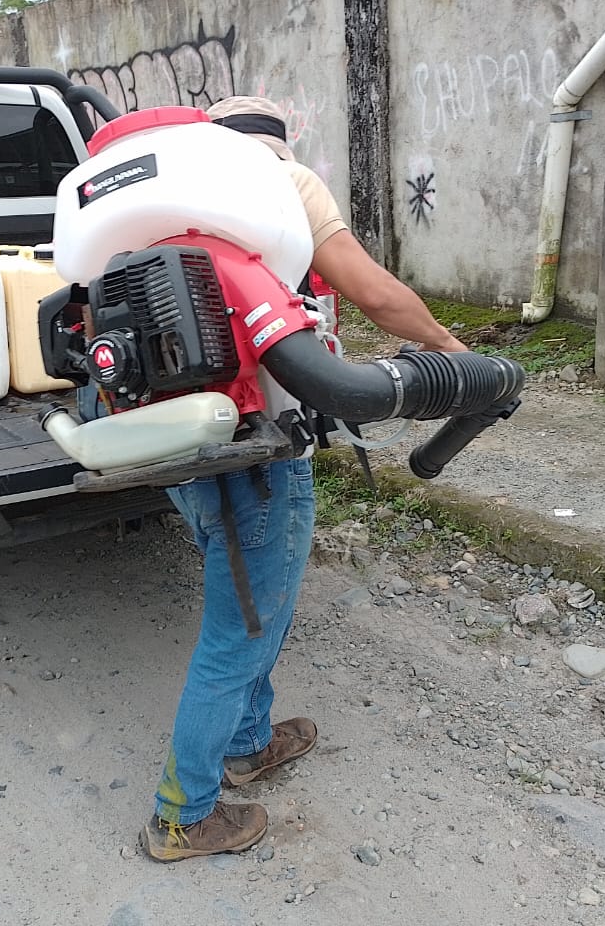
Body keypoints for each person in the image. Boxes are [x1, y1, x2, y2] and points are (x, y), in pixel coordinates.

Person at [138, 96, 467, 862]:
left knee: (260, 607)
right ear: (278, 145)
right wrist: (453, 350)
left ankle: (248, 742)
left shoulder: (164, 203)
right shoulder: (281, 182)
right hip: (263, 453)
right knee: (240, 630)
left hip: (184, 443)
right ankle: (181, 817)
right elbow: (374, 293)